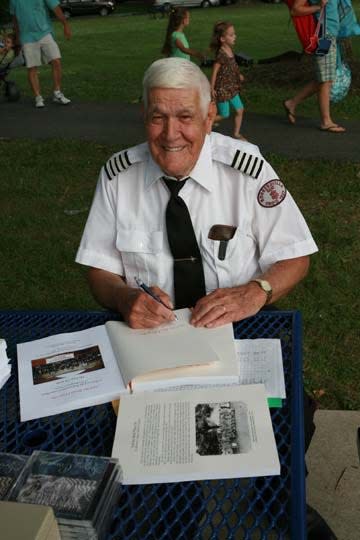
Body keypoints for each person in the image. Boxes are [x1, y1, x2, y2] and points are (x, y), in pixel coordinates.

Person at [76, 57, 336, 539]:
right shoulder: (117, 175)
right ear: (143, 115)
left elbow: (295, 257)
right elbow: (98, 268)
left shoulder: (247, 168)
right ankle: (173, 510)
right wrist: (121, 296)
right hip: (148, 332)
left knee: (291, 415)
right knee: (123, 429)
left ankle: (279, 497)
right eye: (158, 116)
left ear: (210, 116)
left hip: (240, 322)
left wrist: (256, 291)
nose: (171, 133)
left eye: (185, 116)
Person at [283, 0, 345, 133]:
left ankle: (292, 103)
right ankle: (326, 121)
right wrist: (318, 7)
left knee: (324, 78)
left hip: (330, 36)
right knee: (325, 80)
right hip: (324, 38)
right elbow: (295, 10)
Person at [9, 0, 71, 109]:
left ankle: (57, 92)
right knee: (32, 67)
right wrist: (17, 37)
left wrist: (65, 25)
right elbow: (15, 18)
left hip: (44, 32)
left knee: (56, 60)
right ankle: (38, 97)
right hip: (27, 36)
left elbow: (55, 7)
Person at [210, 21, 246, 140]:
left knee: (240, 109)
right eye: (231, 35)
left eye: (234, 34)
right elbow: (215, 71)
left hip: (231, 87)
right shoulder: (221, 54)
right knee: (224, 114)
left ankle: (236, 134)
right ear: (222, 39)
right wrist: (212, 88)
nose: (234, 36)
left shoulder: (230, 50)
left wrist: (238, 74)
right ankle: (204, 122)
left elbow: (232, 66)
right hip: (222, 89)